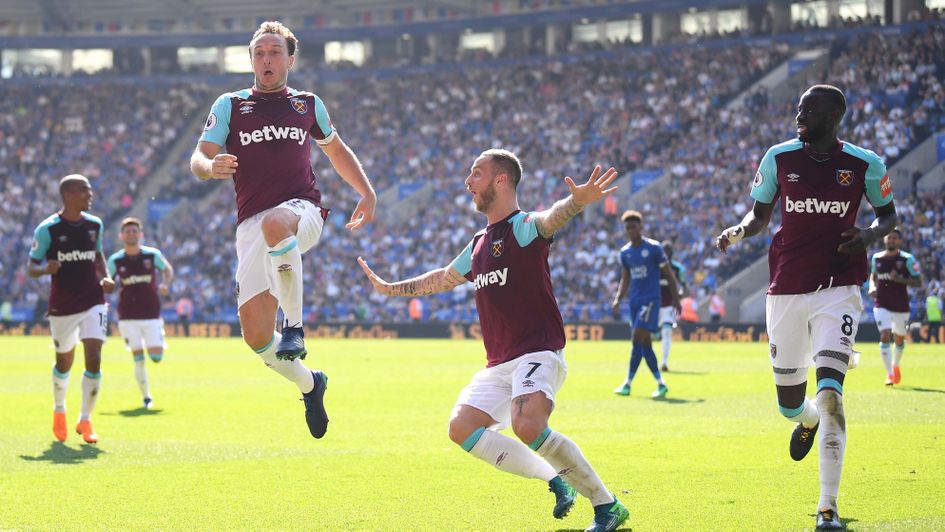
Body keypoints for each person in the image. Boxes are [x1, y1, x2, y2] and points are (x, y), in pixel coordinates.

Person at [358, 150, 629, 532]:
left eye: (477, 174)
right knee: (461, 427)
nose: (468, 182)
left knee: (527, 424)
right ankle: (556, 478)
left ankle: (607, 506)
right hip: (500, 363)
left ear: (501, 180)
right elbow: (441, 279)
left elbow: (550, 218)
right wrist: (390, 289)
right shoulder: (479, 244)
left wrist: (576, 201)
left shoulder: (521, 227)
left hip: (537, 350)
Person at [716, 85, 898, 530]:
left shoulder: (865, 163)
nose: (800, 114)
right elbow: (758, 216)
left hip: (841, 286)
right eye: (798, 107)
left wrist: (869, 236)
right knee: (791, 406)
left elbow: (889, 215)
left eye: (810, 109)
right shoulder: (779, 157)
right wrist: (738, 232)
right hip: (786, 288)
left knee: (832, 394)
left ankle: (827, 508)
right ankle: (807, 421)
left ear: (835, 114)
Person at [190, 21, 376, 439]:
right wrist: (209, 168)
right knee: (256, 338)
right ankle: (311, 383)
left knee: (278, 223)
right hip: (251, 226)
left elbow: (336, 150)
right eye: (259, 53)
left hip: (300, 210)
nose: (266, 59)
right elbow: (199, 157)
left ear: (291, 59)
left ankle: (294, 326)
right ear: (251, 60)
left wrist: (366, 191)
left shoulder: (308, 105)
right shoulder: (230, 105)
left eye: (275, 52)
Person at [27, 174, 115, 444]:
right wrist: (45, 269)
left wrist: (106, 275)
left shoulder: (95, 225)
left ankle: (86, 419)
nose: (91, 196)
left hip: (94, 299)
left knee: (94, 356)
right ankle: (59, 410)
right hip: (63, 305)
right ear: (68, 194)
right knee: (64, 362)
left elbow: (97, 254)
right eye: (85, 191)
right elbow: (31, 267)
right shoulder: (47, 229)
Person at [105, 217, 175, 408]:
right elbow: (106, 281)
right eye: (127, 231)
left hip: (151, 314)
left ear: (141, 234)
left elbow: (167, 270)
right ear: (121, 236)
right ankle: (146, 397)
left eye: (135, 231)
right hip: (127, 316)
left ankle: (158, 338)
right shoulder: (116, 260)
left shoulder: (152, 255)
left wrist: (165, 284)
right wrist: (106, 286)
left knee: (156, 358)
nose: (131, 234)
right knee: (138, 359)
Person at [611, 211, 681, 398]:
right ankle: (661, 384)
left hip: (651, 300)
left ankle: (627, 383)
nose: (631, 230)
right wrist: (618, 298)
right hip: (634, 301)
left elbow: (669, 275)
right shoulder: (625, 252)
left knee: (636, 338)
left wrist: (676, 299)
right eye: (628, 228)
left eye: (634, 227)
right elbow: (625, 278)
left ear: (641, 228)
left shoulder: (654, 248)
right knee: (645, 344)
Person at [867, 229, 921, 385]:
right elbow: (874, 275)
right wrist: (871, 286)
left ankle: (895, 366)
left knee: (899, 339)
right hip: (881, 303)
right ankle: (889, 374)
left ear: (900, 241)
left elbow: (918, 282)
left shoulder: (907, 259)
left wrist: (899, 279)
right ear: (885, 240)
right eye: (889, 237)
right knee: (884, 335)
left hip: (900, 305)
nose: (891, 240)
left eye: (894, 238)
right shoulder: (877, 257)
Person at [657, 241, 687, 371]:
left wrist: (678, 296)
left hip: (669, 304)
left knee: (667, 331)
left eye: (667, 252)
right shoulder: (654, 266)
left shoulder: (677, 268)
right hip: (654, 303)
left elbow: (684, 287)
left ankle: (664, 362)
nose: (665, 254)